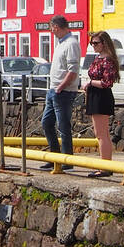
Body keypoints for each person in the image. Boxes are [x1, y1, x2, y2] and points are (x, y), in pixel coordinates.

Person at [41, 16, 81, 158]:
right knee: (46, 123)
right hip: (54, 90)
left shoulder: (71, 43)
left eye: (52, 28)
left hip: (63, 91)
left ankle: (66, 159)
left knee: (63, 126)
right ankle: (54, 156)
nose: (51, 31)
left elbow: (73, 70)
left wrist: (61, 87)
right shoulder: (60, 43)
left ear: (56, 26)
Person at [82, 31, 119, 176]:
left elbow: (107, 83)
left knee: (102, 134)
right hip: (94, 95)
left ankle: (105, 167)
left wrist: (90, 83)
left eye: (96, 43)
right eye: (92, 43)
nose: (93, 46)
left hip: (101, 96)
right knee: (100, 133)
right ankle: (104, 164)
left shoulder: (107, 60)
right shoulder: (99, 58)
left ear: (104, 43)